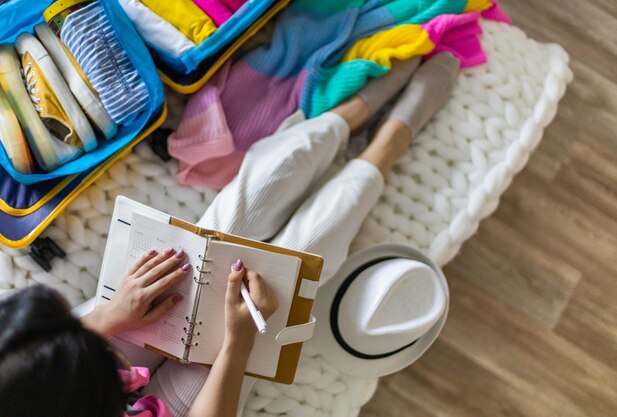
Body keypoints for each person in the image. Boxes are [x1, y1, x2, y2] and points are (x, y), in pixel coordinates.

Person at [0, 52, 460, 417]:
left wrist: (107, 319)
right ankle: (388, 145)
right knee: (288, 273)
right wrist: (238, 343)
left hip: (72, 375)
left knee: (216, 241)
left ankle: (343, 119)